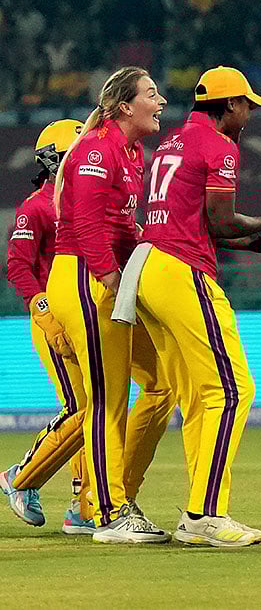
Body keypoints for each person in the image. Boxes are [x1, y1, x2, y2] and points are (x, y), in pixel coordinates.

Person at [134, 66, 261, 547]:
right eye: (246, 105)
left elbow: (198, 223)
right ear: (229, 105)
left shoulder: (172, 143)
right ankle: (204, 514)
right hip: (182, 271)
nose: (249, 115)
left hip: (150, 269)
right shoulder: (219, 146)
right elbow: (222, 222)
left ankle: (198, 511)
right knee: (233, 391)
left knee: (199, 397)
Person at [44, 66, 171, 543]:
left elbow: (121, 224)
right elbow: (90, 224)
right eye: (151, 95)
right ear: (124, 106)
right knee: (107, 399)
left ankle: (113, 494)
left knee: (159, 382)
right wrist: (113, 280)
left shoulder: (130, 150)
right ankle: (109, 511)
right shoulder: (97, 149)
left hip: (100, 273)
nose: (161, 103)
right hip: (84, 275)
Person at [1, 119, 94, 534]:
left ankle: (83, 505)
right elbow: (18, 266)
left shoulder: (78, 205)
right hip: (52, 321)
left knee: (95, 410)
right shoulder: (36, 208)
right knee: (82, 409)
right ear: (53, 160)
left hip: (83, 316)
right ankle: (20, 478)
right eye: (72, 156)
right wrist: (44, 312)